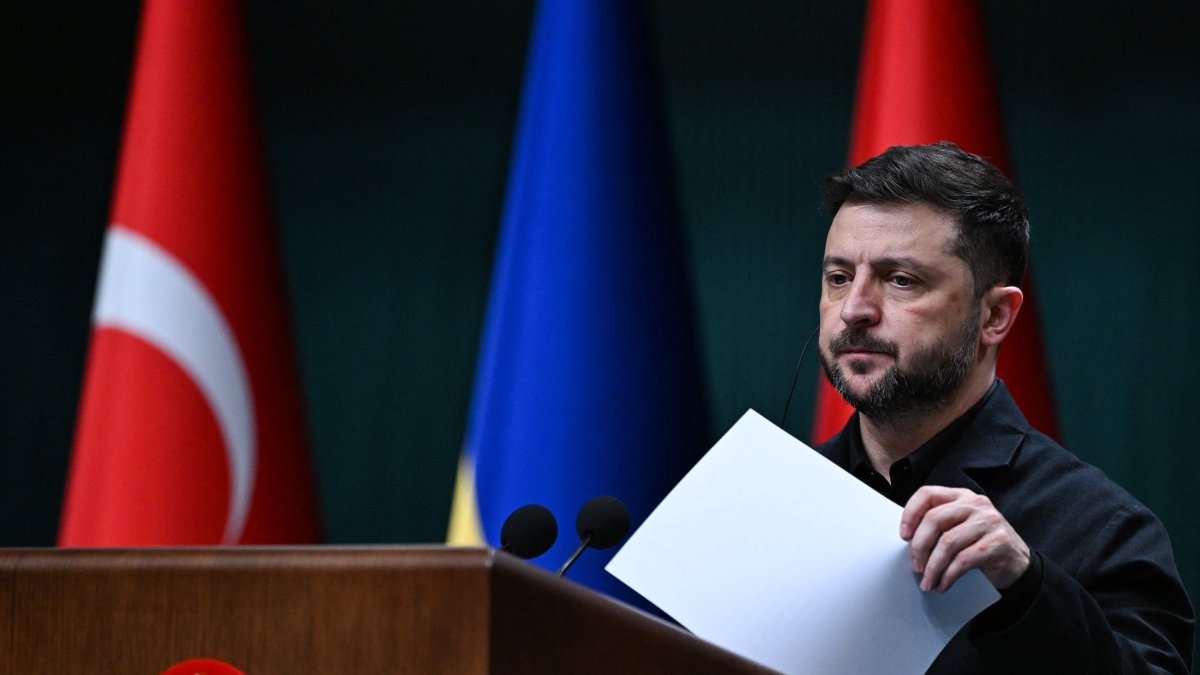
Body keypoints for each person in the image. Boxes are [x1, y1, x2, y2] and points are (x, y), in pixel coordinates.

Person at [814, 142, 1193, 673]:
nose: (854, 309)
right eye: (838, 278)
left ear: (994, 316)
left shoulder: (1103, 528)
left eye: (901, 280)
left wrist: (1026, 586)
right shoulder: (775, 499)